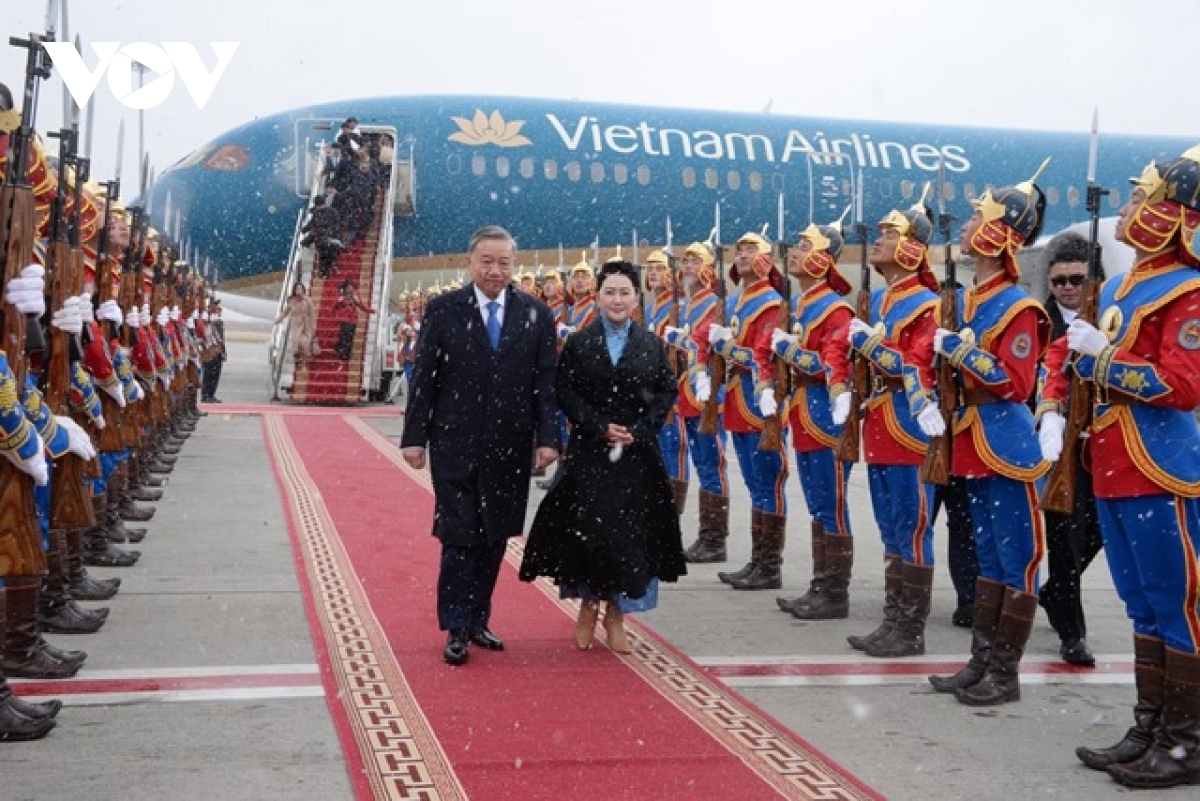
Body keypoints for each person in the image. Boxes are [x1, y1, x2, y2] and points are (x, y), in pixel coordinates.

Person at [1041, 147, 1200, 789]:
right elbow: (1068, 349)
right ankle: (1150, 727)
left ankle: (1185, 741)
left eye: (1142, 198)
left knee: (1176, 602)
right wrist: (1057, 395)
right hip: (1111, 462)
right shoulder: (1130, 283)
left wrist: (1102, 359)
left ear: (1172, 213)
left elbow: (1183, 386)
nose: (1130, 208)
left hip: (1159, 464)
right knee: (1140, 604)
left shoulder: (1188, 291)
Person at [921, 166, 1052, 704]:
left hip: (1005, 442)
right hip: (970, 442)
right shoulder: (970, 301)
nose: (970, 224)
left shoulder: (1019, 306)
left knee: (1015, 556)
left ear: (1001, 235)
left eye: (980, 217)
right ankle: (981, 661)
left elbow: (1014, 383)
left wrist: (960, 351)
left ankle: (1006, 671)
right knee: (988, 558)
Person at [400, 225, 560, 667]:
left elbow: (545, 383)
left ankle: (477, 619)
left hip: (511, 445)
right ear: (469, 263)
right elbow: (424, 379)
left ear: (515, 265)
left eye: (504, 262)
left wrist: (549, 438)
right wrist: (414, 437)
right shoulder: (444, 310)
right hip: (454, 441)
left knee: (494, 536)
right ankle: (454, 625)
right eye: (486, 262)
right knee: (457, 535)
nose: (495, 270)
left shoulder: (536, 314)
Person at [520, 260, 685, 653]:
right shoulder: (580, 343)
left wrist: (639, 429)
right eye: (609, 292)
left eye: (624, 292)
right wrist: (597, 425)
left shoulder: (651, 345)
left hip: (635, 457)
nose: (617, 299)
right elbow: (566, 391)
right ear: (597, 297)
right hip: (591, 454)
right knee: (588, 532)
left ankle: (616, 615)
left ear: (636, 298)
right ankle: (588, 606)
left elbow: (665, 393)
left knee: (628, 537)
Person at [839, 198, 939, 657]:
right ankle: (893, 619)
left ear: (914, 248)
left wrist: (871, 345)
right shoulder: (881, 299)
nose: (879, 240)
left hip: (908, 423)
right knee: (891, 528)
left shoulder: (926, 304)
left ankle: (911, 629)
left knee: (913, 528)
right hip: (880, 422)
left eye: (891, 233)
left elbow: (918, 367)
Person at [769, 220, 856, 620]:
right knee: (818, 505)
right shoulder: (804, 302)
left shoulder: (834, 308)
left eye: (806, 245)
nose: (795, 251)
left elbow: (832, 367)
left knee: (832, 503)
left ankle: (834, 593)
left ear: (823, 257)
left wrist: (792, 353)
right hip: (805, 412)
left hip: (825, 413)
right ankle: (820, 585)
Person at [1035, 231, 1104, 667]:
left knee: (1096, 535)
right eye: (1058, 280)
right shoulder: (1041, 321)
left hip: (1106, 444)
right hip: (1059, 443)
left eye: (1076, 279)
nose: (1066, 287)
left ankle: (1053, 593)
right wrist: (1049, 417)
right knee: (1063, 539)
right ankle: (1071, 633)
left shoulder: (1112, 317)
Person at [709, 233, 789, 591]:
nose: (742, 256)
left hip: (760, 399)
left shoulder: (770, 302)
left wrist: (726, 347)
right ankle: (758, 561)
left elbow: (762, 357)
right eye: (739, 251)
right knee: (755, 484)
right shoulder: (744, 299)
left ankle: (770, 566)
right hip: (739, 398)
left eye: (750, 250)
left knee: (768, 483)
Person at [663, 241, 731, 563]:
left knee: (711, 465)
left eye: (695, 261)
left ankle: (715, 540)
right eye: (685, 261)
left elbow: (703, 339)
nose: (688, 266)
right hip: (688, 393)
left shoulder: (714, 303)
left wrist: (681, 339)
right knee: (703, 464)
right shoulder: (689, 304)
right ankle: (707, 537)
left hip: (706, 395)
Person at [275, 283, 318, 373]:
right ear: (294, 290)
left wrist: (313, 327)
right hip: (296, 326)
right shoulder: (291, 301)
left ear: (303, 289)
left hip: (306, 326)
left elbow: (312, 315)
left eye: (300, 288)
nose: (299, 290)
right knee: (297, 345)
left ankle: (304, 365)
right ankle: (298, 362)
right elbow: (285, 312)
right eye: (297, 288)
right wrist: (279, 319)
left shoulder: (307, 300)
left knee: (304, 343)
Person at [332, 280, 375, 362]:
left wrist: (371, 311)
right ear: (344, 289)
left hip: (353, 320)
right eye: (348, 288)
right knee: (345, 337)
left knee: (349, 338)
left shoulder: (355, 296)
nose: (350, 289)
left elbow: (362, 306)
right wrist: (338, 301)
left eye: (351, 288)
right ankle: (342, 353)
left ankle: (345, 354)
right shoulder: (341, 296)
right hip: (344, 319)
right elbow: (334, 308)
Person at [200, 299, 226, 403]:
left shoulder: (218, 321)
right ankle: (206, 395)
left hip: (218, 350)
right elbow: (207, 336)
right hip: (210, 350)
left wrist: (223, 351)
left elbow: (221, 338)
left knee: (216, 374)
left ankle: (211, 394)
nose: (219, 309)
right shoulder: (207, 320)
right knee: (208, 373)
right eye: (216, 307)